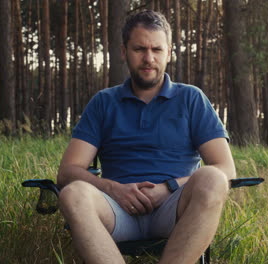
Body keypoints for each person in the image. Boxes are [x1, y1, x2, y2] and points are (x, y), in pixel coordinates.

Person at [57, 10, 236, 264]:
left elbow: (226, 168)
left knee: (214, 178)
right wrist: (114, 189)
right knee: (73, 193)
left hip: (174, 209)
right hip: (117, 210)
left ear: (169, 53)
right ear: (123, 51)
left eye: (156, 49)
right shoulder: (104, 103)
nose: (148, 58)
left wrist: (169, 188)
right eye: (139, 49)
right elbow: (67, 171)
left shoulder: (191, 99)